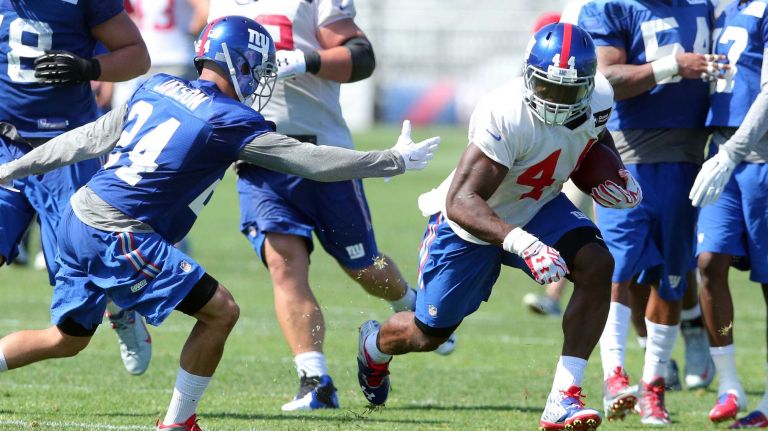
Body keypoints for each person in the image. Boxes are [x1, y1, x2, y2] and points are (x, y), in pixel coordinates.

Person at [0, 17, 438, 431]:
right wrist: (391, 160)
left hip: (80, 215)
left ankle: (125, 325)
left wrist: (12, 169)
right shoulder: (230, 119)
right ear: (241, 63)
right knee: (221, 311)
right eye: (259, 68)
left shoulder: (156, 87)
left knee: (67, 338)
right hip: (117, 231)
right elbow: (311, 161)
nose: (262, 79)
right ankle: (177, 422)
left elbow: (87, 139)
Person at [356, 23, 642, 431]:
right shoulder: (505, 112)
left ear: (588, 84)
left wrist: (616, 173)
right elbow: (461, 201)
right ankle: (373, 346)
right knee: (428, 333)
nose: (558, 103)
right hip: (470, 225)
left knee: (597, 265)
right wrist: (523, 244)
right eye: (548, 89)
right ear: (527, 76)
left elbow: (594, 135)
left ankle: (564, 397)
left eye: (569, 91)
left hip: (540, 204)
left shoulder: (598, 96)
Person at [206, 0, 454, 411]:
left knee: (364, 267)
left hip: (323, 151)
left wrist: (306, 60)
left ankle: (410, 304)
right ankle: (315, 381)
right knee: (284, 264)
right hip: (259, 155)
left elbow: (361, 56)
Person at [575, 0, 725, 423]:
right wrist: (672, 66)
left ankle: (654, 386)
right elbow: (606, 77)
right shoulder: (612, 7)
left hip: (688, 154)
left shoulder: (704, 5)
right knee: (618, 267)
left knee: (672, 278)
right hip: (627, 152)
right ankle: (615, 375)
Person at [0, 0, 154, 376]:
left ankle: (120, 304)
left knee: (76, 304)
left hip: (67, 150)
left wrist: (90, 67)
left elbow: (138, 56)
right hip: (7, 145)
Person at [688, 0, 768, 426]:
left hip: (760, 159)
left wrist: (731, 152)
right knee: (708, 263)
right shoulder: (720, 8)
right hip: (723, 156)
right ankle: (730, 383)